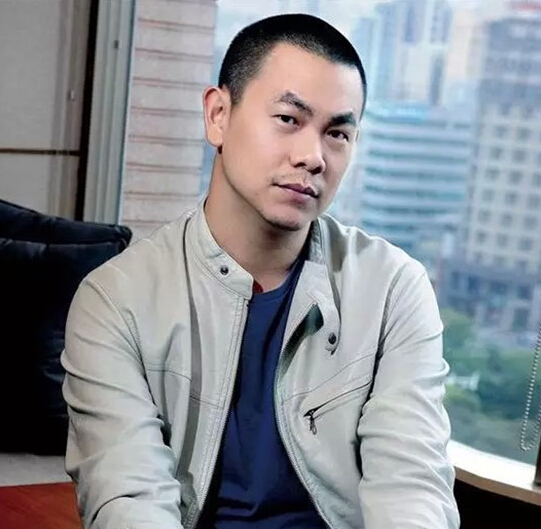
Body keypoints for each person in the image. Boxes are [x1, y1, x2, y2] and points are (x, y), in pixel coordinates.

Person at [61, 12, 460, 529]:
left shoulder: (391, 289)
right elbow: (128, 499)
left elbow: (412, 486)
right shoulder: (115, 301)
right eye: (289, 119)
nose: (313, 157)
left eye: (337, 133)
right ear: (218, 116)